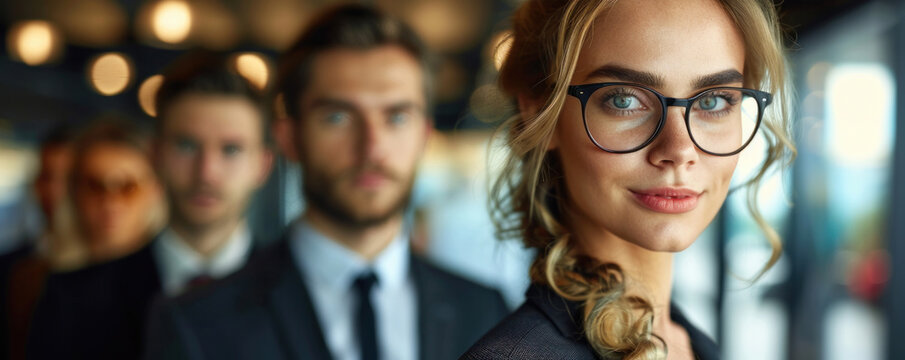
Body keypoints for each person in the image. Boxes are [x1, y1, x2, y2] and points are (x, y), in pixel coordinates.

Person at [144, 5, 509, 360]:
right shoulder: (199, 323)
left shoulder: (485, 312)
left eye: (396, 117)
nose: (372, 147)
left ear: (424, 135)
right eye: (337, 116)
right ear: (289, 138)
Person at [461, 0, 795, 359]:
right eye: (623, 100)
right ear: (541, 111)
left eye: (714, 101)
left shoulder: (692, 344)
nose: (679, 150)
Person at [27, 53, 274, 360]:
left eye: (231, 149)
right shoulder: (72, 299)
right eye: (186, 145)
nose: (206, 172)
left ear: (263, 166)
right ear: (155, 155)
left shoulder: (299, 298)